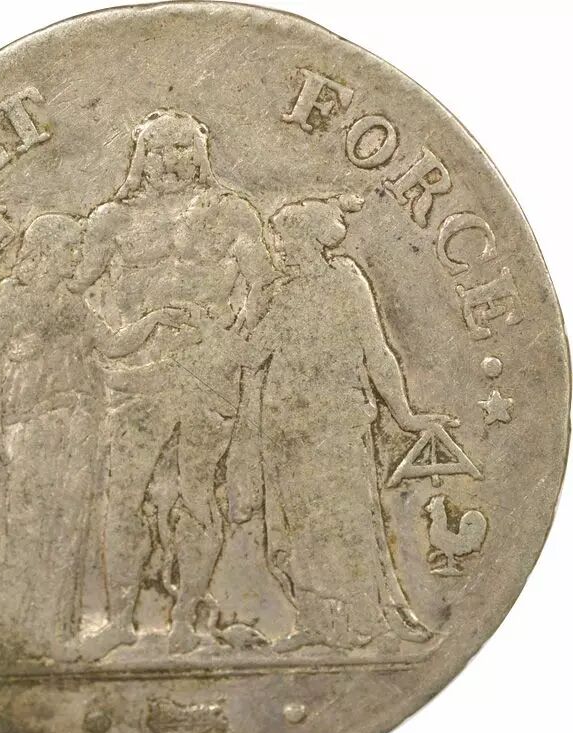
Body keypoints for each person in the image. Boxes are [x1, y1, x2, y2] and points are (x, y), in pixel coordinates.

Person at [77, 109, 275, 660]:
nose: (171, 161)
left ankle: (185, 620)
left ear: (201, 153)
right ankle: (121, 620)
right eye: (159, 150)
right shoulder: (112, 219)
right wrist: (111, 337)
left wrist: (232, 338)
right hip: (136, 374)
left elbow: (262, 284)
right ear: (141, 157)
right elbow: (76, 285)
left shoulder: (231, 212)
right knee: (124, 494)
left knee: (198, 494)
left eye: (183, 148)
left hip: (207, 372)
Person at [0, 212, 190, 663]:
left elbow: (112, 345)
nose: (77, 256)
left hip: (78, 430)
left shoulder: (72, 304)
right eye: (70, 248)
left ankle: (53, 634)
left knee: (66, 533)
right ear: (46, 251)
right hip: (32, 428)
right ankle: (10, 635)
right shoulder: (14, 300)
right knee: (27, 530)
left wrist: (156, 319)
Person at [254, 194, 453, 651]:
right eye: (274, 242)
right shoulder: (282, 295)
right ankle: (316, 622)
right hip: (285, 427)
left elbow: (377, 353)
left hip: (335, 422)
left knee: (346, 519)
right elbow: (250, 355)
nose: (277, 251)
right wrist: (203, 334)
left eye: (283, 241)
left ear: (309, 240)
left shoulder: (346, 281)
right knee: (300, 526)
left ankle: (369, 619)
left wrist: (404, 415)